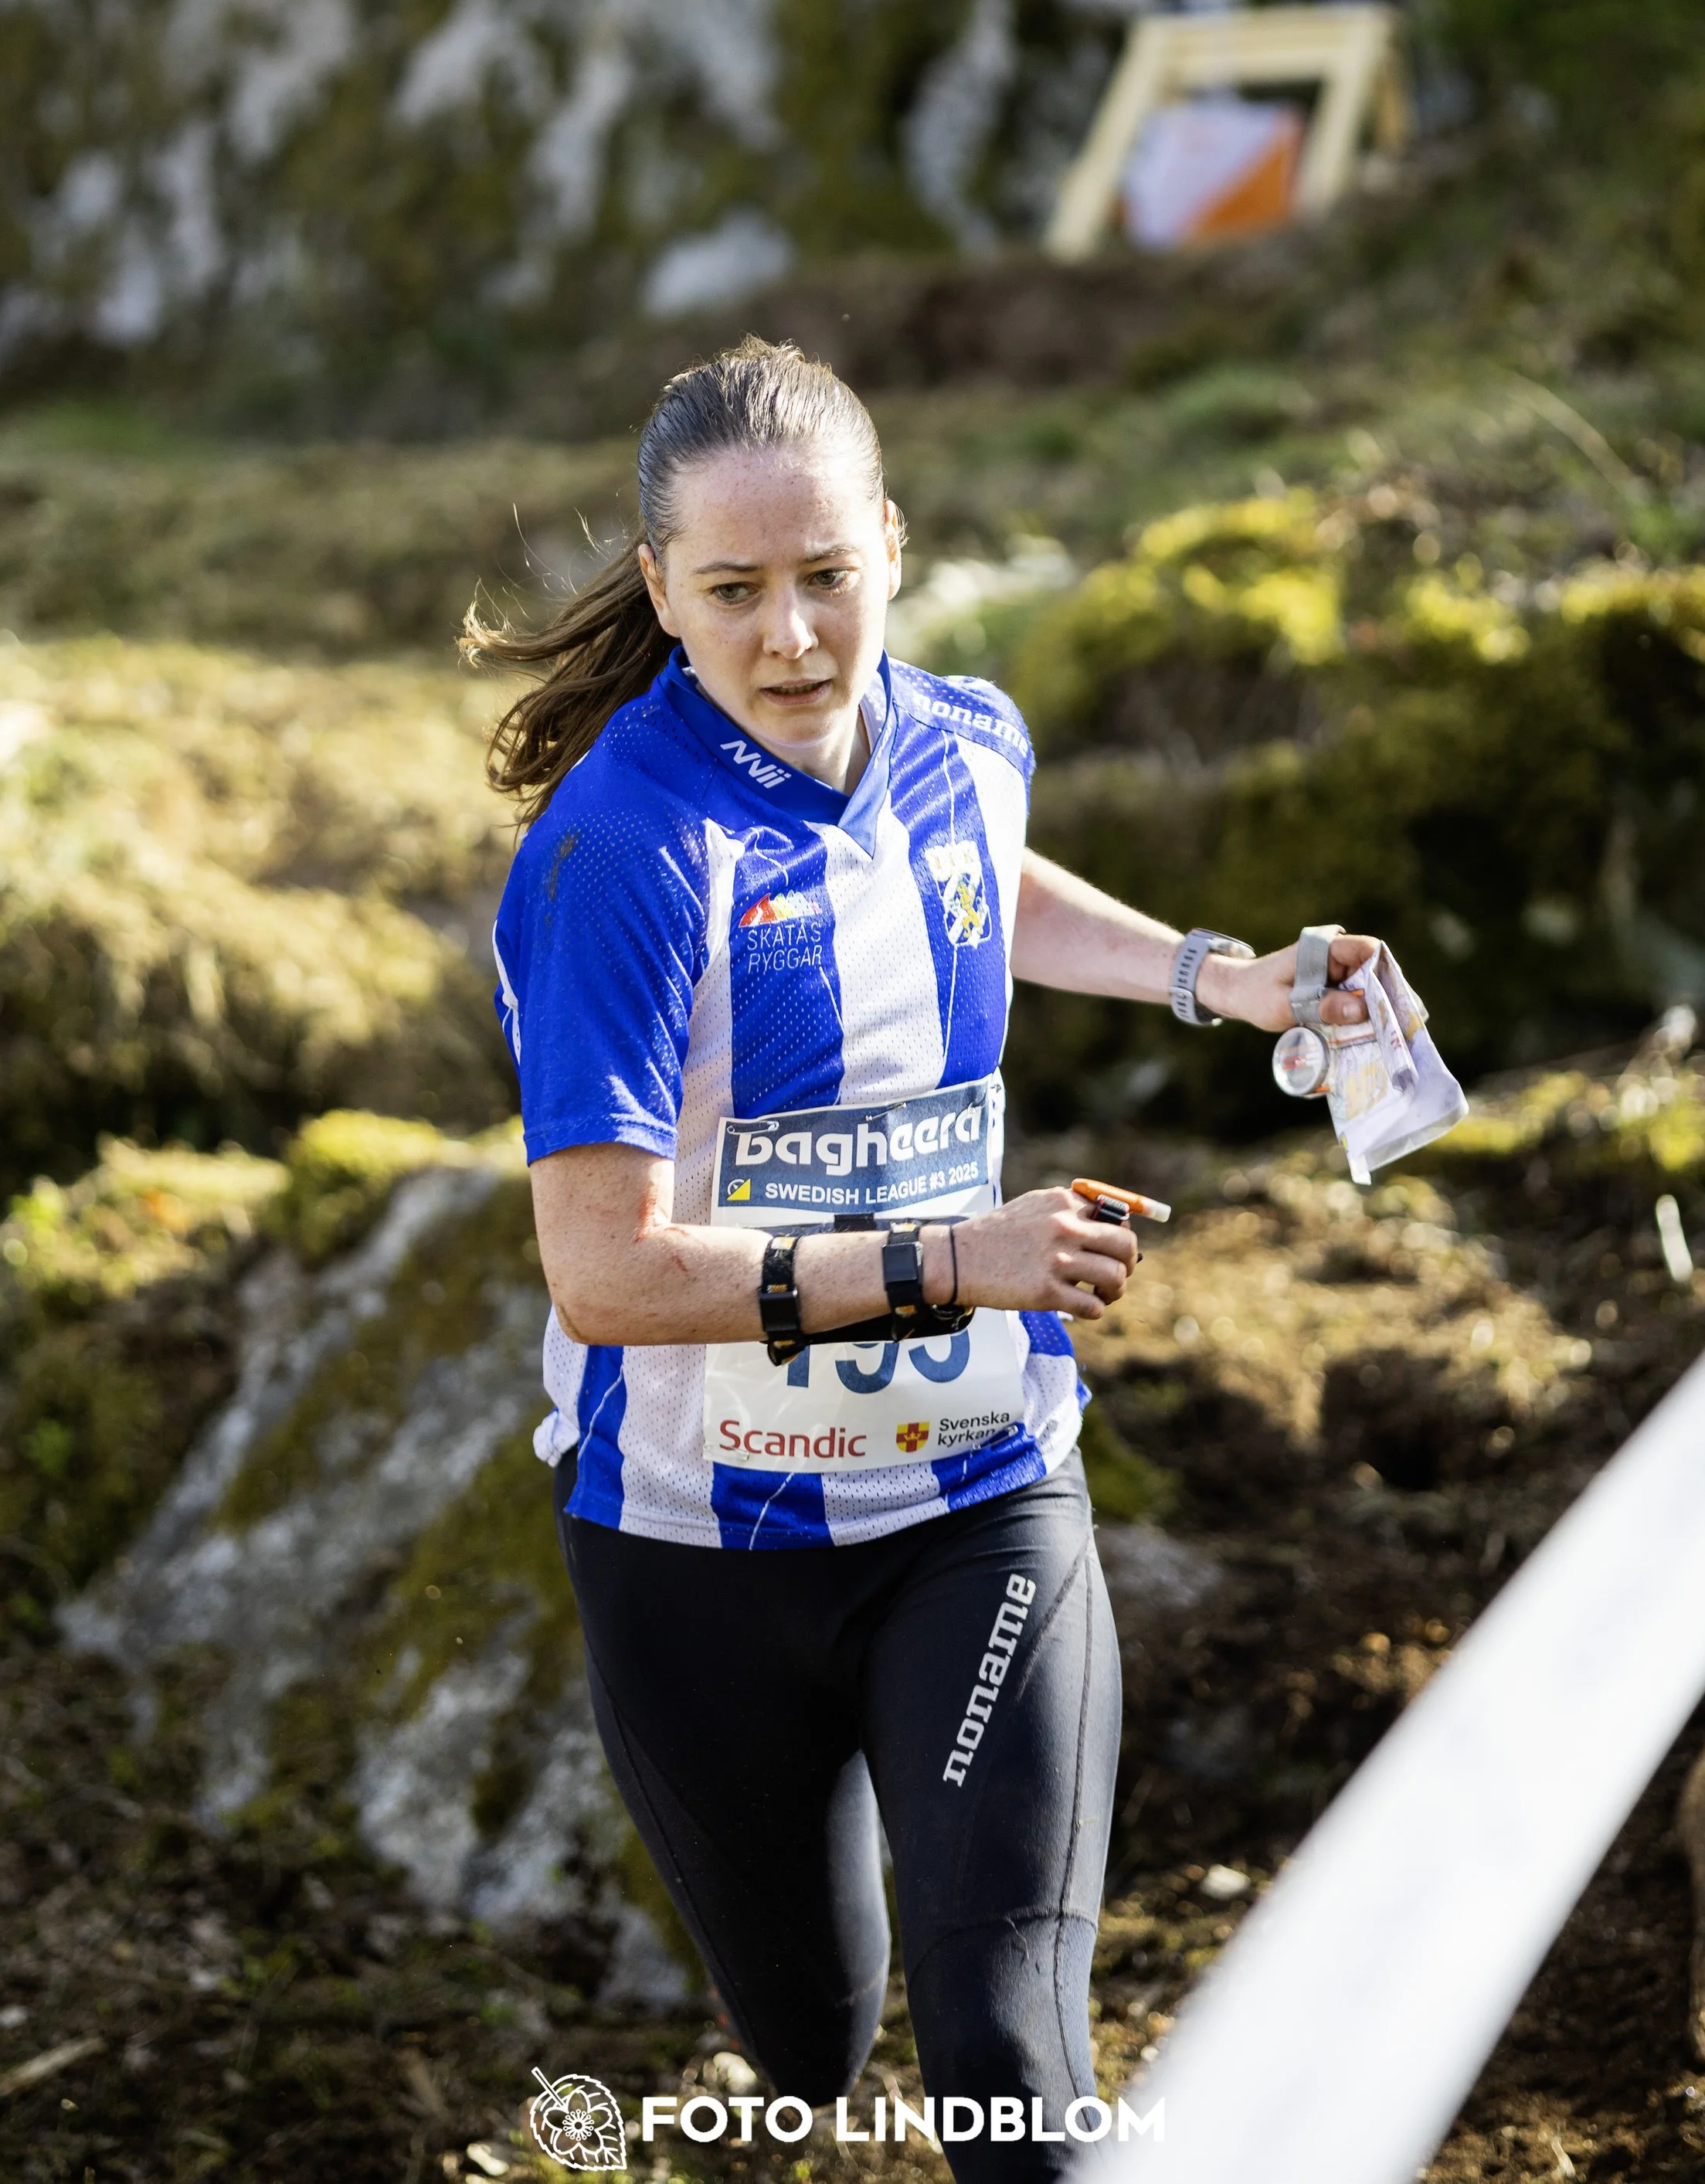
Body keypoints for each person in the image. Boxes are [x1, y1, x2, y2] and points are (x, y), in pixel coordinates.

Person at [474, 339, 1375, 2179]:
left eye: (829, 575)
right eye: (731, 593)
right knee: (806, 2045)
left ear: (892, 541)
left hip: (972, 1501)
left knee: (1006, 2053)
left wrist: (1229, 977)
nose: (793, 635)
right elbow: (604, 1275)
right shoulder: (626, 857)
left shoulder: (963, 730)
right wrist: (954, 1259)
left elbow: (989, 867)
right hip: (694, 1556)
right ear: (659, 589)